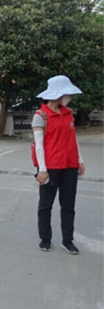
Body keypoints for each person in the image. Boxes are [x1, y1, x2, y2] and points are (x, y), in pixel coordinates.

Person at [32, 75, 86, 254]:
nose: (69, 97)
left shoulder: (68, 113)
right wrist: (42, 169)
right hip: (51, 167)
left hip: (70, 165)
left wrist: (80, 160)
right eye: (66, 94)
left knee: (68, 205)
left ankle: (67, 240)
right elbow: (39, 145)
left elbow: (73, 139)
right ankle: (45, 239)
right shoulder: (41, 116)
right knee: (46, 204)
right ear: (58, 94)